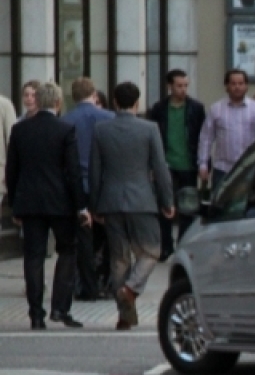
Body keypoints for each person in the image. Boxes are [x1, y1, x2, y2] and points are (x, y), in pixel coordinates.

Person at [90, 81, 174, 331]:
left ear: (115, 101)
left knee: (118, 258)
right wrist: (167, 200)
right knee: (151, 251)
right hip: (142, 200)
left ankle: (124, 315)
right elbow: (160, 168)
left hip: (111, 200)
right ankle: (130, 289)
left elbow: (96, 171)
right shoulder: (149, 129)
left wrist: (94, 205)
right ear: (137, 102)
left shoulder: (101, 129)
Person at [6, 82, 89, 330]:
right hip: (60, 202)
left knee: (33, 257)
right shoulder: (65, 129)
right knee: (67, 251)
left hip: (30, 202)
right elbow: (73, 172)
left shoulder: (20, 130)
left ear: (38, 101)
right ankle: (60, 308)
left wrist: (15, 204)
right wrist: (81, 207)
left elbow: (12, 171)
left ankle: (36, 314)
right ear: (58, 103)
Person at [62, 77, 114, 301]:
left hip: (74, 185)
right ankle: (108, 281)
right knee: (109, 236)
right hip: (103, 184)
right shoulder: (109, 118)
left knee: (82, 238)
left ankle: (85, 284)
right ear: (94, 94)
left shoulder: (65, 121)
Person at [146, 68, 206, 259]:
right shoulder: (159, 109)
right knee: (165, 206)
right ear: (170, 86)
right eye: (179, 86)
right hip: (166, 164)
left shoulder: (196, 108)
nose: (183, 90)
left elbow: (203, 137)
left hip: (188, 163)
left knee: (188, 207)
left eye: (185, 86)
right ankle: (165, 245)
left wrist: (204, 163)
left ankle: (184, 244)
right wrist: (152, 166)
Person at [197, 69, 255, 192]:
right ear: (227, 86)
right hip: (223, 169)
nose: (237, 87)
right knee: (219, 207)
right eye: (233, 84)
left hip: (249, 167)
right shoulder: (216, 109)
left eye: (241, 83)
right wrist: (203, 164)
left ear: (246, 86)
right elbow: (206, 138)